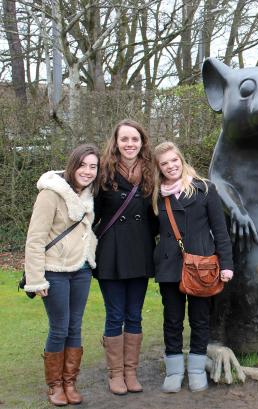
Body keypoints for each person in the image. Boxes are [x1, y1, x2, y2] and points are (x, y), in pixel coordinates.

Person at [152, 141, 234, 393]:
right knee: (172, 320)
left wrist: (227, 264)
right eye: (164, 163)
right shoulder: (154, 195)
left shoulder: (205, 189)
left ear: (181, 159)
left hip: (202, 266)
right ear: (159, 167)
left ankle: (197, 368)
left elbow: (220, 229)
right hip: (169, 267)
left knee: (199, 319)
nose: (171, 166)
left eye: (174, 160)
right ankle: (175, 370)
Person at [24, 144, 100, 406]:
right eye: (83, 165)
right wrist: (35, 279)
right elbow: (35, 239)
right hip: (54, 271)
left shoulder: (89, 194)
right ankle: (55, 386)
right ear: (73, 164)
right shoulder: (51, 193)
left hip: (81, 270)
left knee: (75, 327)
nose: (87, 171)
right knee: (59, 328)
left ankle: (70, 382)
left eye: (93, 166)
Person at [93, 119, 157, 395]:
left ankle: (131, 373)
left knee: (134, 315)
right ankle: (115, 374)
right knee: (114, 314)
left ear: (142, 142)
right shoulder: (102, 172)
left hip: (140, 253)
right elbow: (88, 213)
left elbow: (160, 215)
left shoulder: (152, 173)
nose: (130, 144)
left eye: (135, 139)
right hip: (111, 254)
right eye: (124, 139)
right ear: (116, 142)